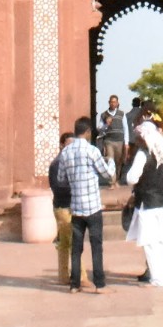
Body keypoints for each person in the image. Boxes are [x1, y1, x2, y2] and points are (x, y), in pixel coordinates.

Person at [55, 116, 114, 294]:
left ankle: (75, 284)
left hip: (76, 207)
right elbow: (107, 174)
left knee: (76, 248)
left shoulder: (65, 152)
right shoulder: (92, 151)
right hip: (93, 207)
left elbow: (60, 179)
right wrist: (111, 162)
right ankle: (100, 284)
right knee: (96, 246)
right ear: (88, 132)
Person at [124, 120, 163, 287]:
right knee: (161, 242)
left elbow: (131, 178)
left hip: (147, 202)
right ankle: (162, 277)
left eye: (139, 137)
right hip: (162, 201)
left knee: (150, 242)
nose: (137, 140)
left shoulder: (143, 154)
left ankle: (156, 279)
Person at [49, 132, 75, 284]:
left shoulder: (69, 162)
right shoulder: (57, 164)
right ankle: (81, 277)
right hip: (63, 207)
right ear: (61, 145)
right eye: (68, 144)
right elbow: (58, 187)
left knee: (64, 243)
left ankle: (63, 276)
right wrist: (75, 189)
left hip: (68, 206)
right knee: (73, 243)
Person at [99, 96, 129, 186]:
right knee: (110, 160)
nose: (113, 103)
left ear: (117, 103)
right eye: (111, 102)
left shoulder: (121, 114)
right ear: (109, 102)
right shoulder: (104, 114)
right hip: (109, 140)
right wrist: (106, 124)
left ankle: (117, 180)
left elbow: (125, 128)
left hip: (119, 140)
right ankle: (112, 181)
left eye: (115, 102)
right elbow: (100, 128)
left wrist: (126, 142)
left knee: (118, 161)